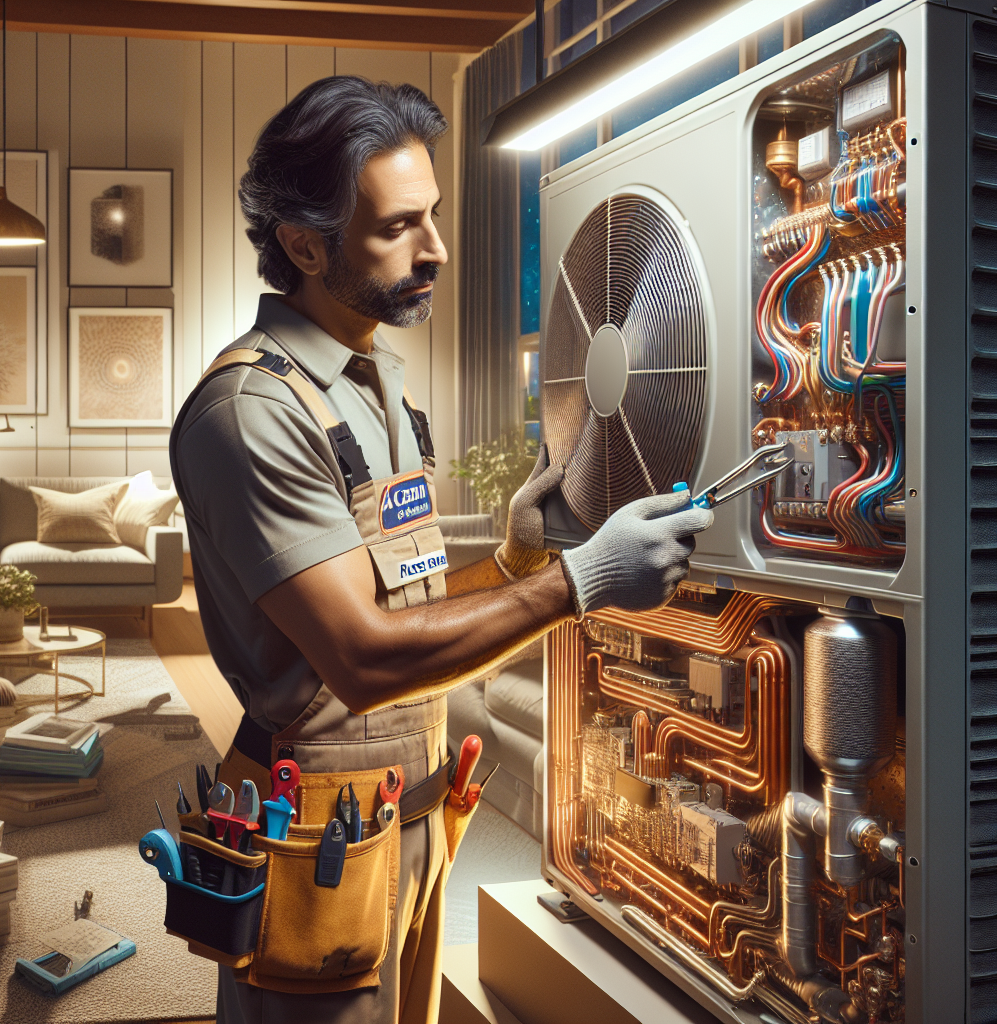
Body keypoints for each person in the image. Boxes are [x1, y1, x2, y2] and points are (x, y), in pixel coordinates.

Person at [169, 75, 712, 1024]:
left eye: (437, 216)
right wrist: (579, 583)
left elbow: (397, 608)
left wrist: (509, 563)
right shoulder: (251, 414)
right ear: (304, 245)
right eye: (398, 228)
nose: (439, 250)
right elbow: (364, 658)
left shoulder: (380, 394)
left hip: (412, 818)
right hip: (315, 843)